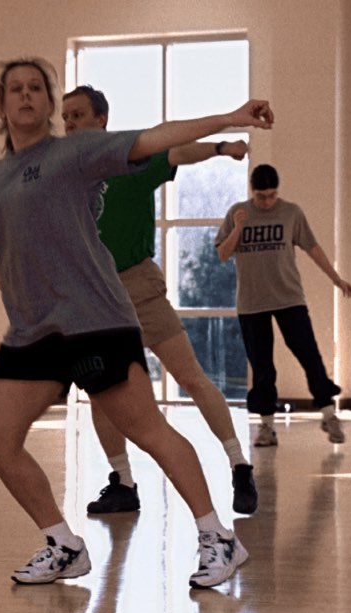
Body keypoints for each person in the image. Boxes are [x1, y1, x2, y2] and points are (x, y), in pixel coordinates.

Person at [0, 56, 258, 588]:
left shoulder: (74, 150)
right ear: (2, 105)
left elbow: (158, 139)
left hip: (95, 318)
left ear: (50, 106)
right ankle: (64, 544)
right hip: (34, 331)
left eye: (36, 88)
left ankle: (220, 537)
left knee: (146, 429)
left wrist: (227, 120)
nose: (25, 96)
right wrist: (11, 290)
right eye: (15, 89)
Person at [58, 86, 260, 516]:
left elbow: (177, 151)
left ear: (101, 120)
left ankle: (238, 464)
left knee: (190, 376)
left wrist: (223, 146)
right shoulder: (67, 172)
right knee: (101, 393)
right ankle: (123, 483)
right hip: (93, 294)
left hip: (138, 286)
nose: (70, 124)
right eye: (66, 118)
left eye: (77, 115)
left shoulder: (129, 158)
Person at [218, 164, 351, 446]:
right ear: (252, 191)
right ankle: (267, 427)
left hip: (289, 298)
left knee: (309, 355)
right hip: (252, 302)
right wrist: (239, 227)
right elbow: (222, 253)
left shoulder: (291, 212)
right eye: (261, 196)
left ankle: (329, 414)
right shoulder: (237, 212)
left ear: (277, 192)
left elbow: (312, 248)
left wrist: (336, 279)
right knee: (262, 367)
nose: (266, 202)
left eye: (271, 195)